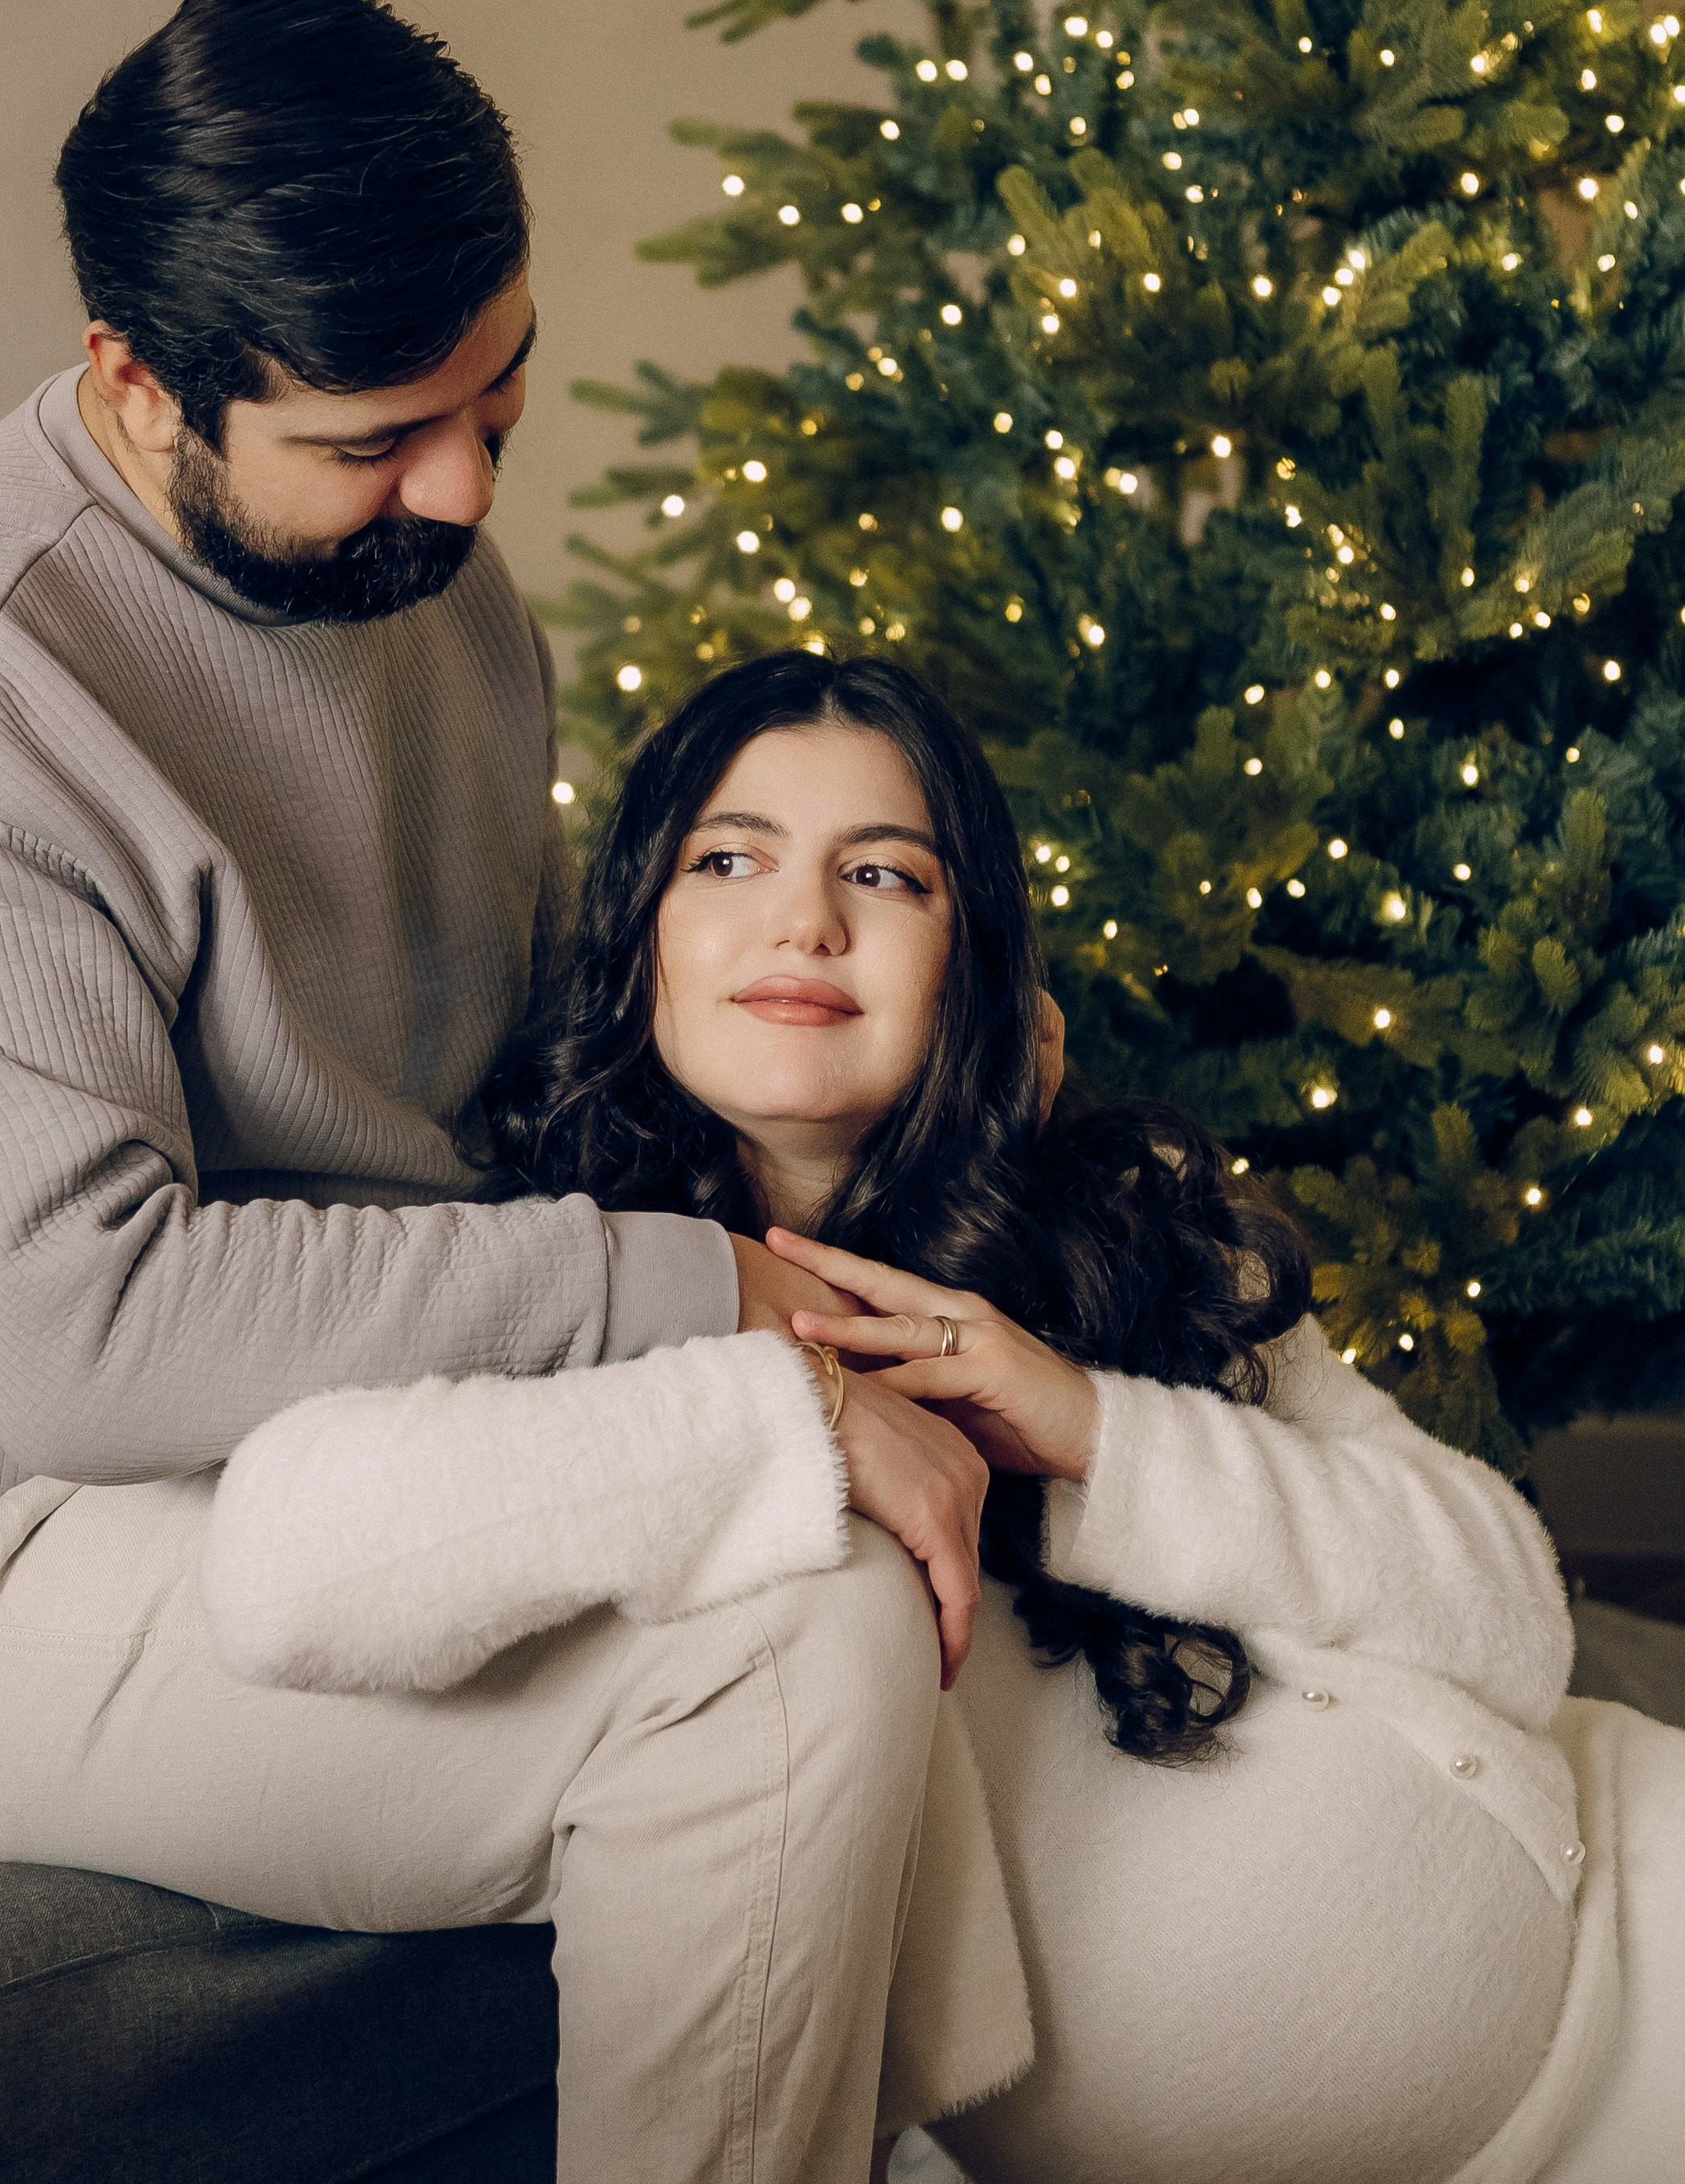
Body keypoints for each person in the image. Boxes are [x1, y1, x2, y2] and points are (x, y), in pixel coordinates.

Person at [0, 0, 1027, 2184]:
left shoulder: (419, 573)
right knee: (772, 1662)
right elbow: (93, 1347)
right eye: (371, 443)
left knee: (892, 1561)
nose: (458, 495)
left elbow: (499, 1085)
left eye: (498, 402)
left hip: (354, 1431)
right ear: (138, 383)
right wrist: (709, 1320)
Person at [483, 647, 1586, 2184]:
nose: (806, 920)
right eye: (727, 858)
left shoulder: (1135, 1240)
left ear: (974, 967)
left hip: (1629, 1978)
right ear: (639, 939)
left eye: (887, 873)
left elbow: (1518, 1618)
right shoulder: (568, 1319)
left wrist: (1087, 1428)